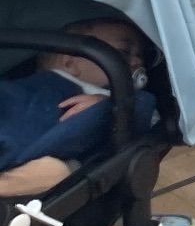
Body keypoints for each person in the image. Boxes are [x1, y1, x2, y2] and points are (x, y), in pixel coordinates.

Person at [0, 17, 158, 197]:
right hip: (20, 122)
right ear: (69, 62)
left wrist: (109, 103)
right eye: (124, 52)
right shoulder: (40, 86)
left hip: (33, 162)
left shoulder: (122, 101)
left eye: (142, 56)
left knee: (55, 171)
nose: (137, 61)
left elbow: (147, 117)